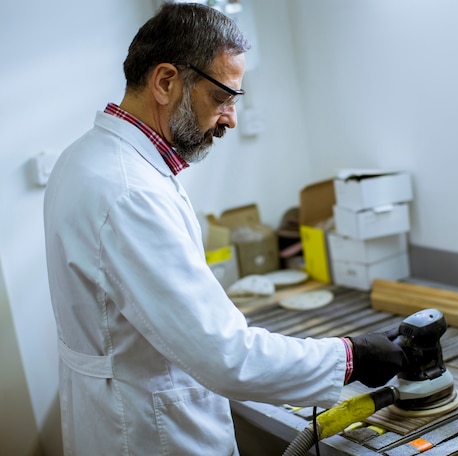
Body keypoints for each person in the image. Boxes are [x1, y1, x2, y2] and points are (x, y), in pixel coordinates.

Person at [44, 3, 405, 455]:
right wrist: (351, 357)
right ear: (165, 82)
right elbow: (226, 356)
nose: (231, 118)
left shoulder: (86, 159)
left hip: (117, 414)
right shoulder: (128, 191)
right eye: (221, 98)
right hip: (148, 431)